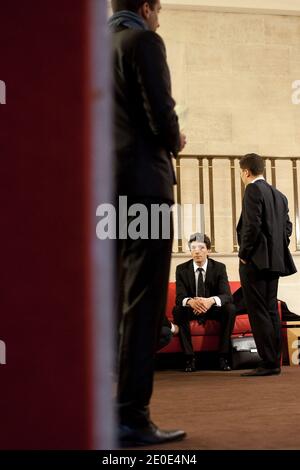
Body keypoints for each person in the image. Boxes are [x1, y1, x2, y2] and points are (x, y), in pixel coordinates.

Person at [109, 0, 186, 446]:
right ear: (145, 7)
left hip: (103, 193)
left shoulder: (92, 49)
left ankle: (102, 409)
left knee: (110, 301)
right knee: (141, 306)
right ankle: (131, 418)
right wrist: (176, 138)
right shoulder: (144, 41)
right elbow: (162, 117)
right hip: (145, 191)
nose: (159, 19)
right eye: (159, 10)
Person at [237, 153, 297, 376]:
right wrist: (277, 249)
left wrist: (244, 253)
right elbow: (288, 228)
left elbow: (252, 226)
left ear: (246, 172)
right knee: (271, 309)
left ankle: (267, 362)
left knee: (258, 311)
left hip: (255, 262)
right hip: (276, 262)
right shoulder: (280, 195)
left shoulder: (252, 190)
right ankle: (274, 361)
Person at [173, 233, 236, 372]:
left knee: (230, 309)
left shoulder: (219, 267)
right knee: (178, 310)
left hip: (212, 308)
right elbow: (179, 297)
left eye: (201, 247)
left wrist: (210, 301)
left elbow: (227, 295)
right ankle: (189, 358)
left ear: (208, 250)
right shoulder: (181, 269)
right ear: (190, 251)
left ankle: (223, 356)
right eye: (193, 248)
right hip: (193, 309)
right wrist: (190, 302)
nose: (197, 251)